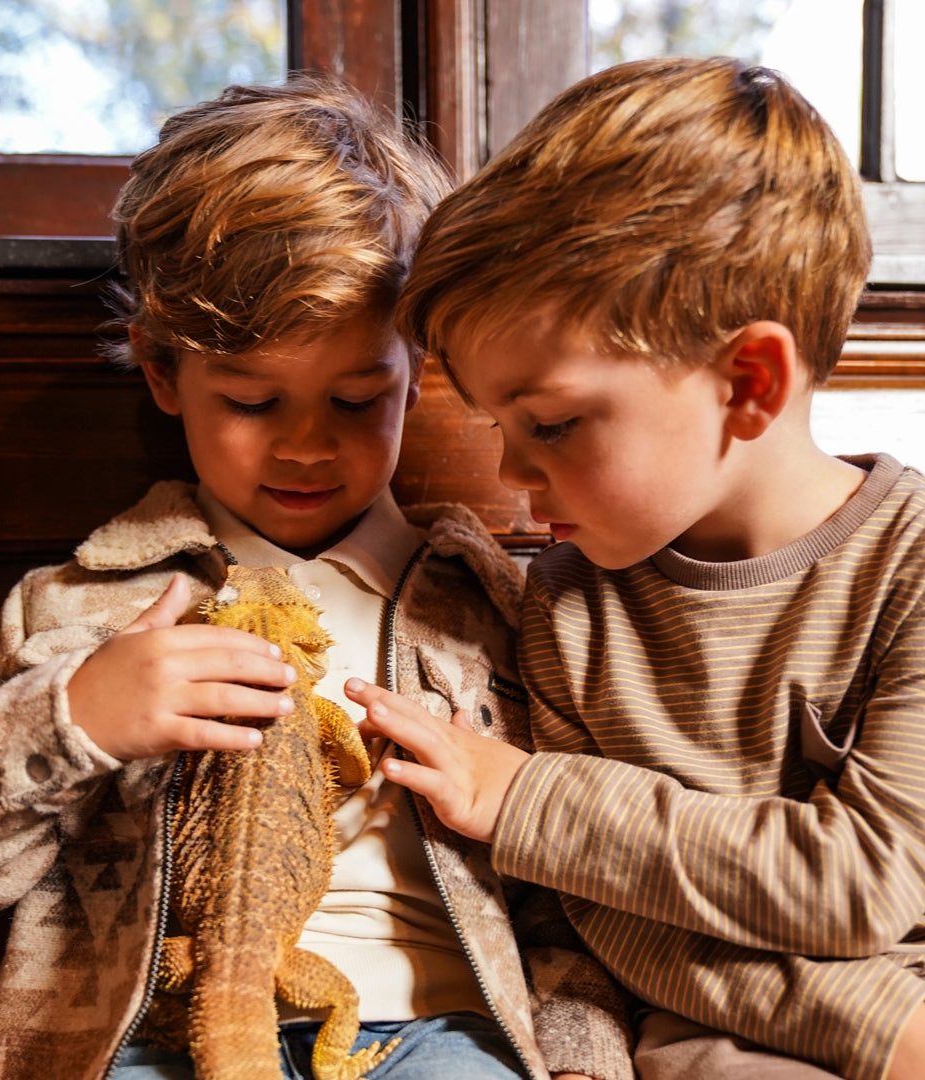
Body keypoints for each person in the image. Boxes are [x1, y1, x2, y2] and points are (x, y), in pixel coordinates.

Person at [0, 76, 634, 1080]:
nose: (306, 445)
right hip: (153, 1036)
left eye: (357, 399)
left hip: (443, 1032)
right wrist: (72, 716)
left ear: (415, 371)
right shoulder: (88, 603)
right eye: (254, 402)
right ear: (162, 372)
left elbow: (572, 894)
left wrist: (582, 1057)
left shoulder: (491, 612)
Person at [345, 57, 925, 1080]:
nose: (511, 472)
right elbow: (610, 917)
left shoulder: (911, 570)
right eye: (498, 425)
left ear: (748, 382)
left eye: (552, 423)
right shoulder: (569, 606)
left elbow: (862, 883)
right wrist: (883, 1031)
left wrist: (532, 802)